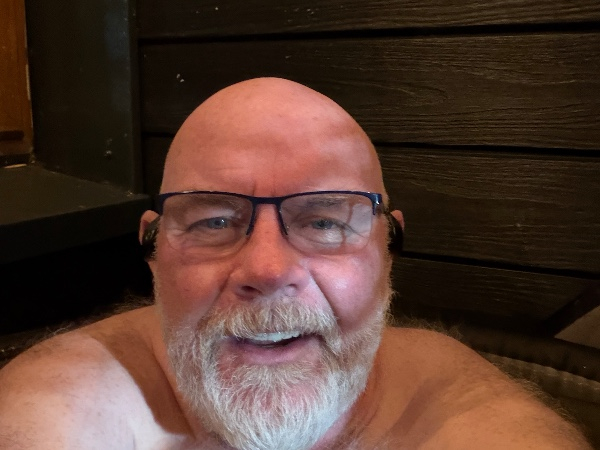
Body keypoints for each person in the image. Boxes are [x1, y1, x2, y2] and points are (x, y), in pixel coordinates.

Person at [0, 78, 591, 450]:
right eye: (214, 222)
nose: (267, 268)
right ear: (153, 252)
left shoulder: (459, 408)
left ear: (388, 251)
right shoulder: (65, 399)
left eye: (325, 222)